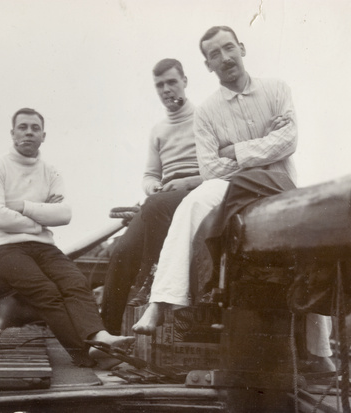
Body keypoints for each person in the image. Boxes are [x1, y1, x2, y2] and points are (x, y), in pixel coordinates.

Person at [132, 26, 334, 371]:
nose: (225, 58)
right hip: (229, 183)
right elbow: (210, 168)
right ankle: (161, 301)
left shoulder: (276, 89)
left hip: (276, 181)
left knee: (311, 230)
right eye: (214, 54)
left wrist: (236, 150)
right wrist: (256, 153)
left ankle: (320, 350)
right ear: (208, 65)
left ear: (241, 48)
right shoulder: (207, 112)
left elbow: (288, 141)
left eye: (229, 48)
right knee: (192, 204)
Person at [0, 108, 134, 367]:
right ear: (12, 133)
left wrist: (23, 207)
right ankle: (87, 354)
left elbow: (63, 215)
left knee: (75, 281)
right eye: (23, 127)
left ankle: (99, 336)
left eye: (35, 128)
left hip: (43, 247)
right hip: (2, 249)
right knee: (46, 291)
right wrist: (39, 220)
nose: (29, 132)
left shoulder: (51, 172)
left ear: (44, 135)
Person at [100, 58, 202, 335]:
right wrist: (153, 187)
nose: (167, 89)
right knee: (120, 252)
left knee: (155, 206)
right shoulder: (158, 130)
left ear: (185, 81)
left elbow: (217, 168)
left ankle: (149, 280)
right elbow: (149, 175)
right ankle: (106, 337)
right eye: (160, 85)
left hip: (196, 193)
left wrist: (185, 182)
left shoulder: (205, 117)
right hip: (161, 199)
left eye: (172, 82)